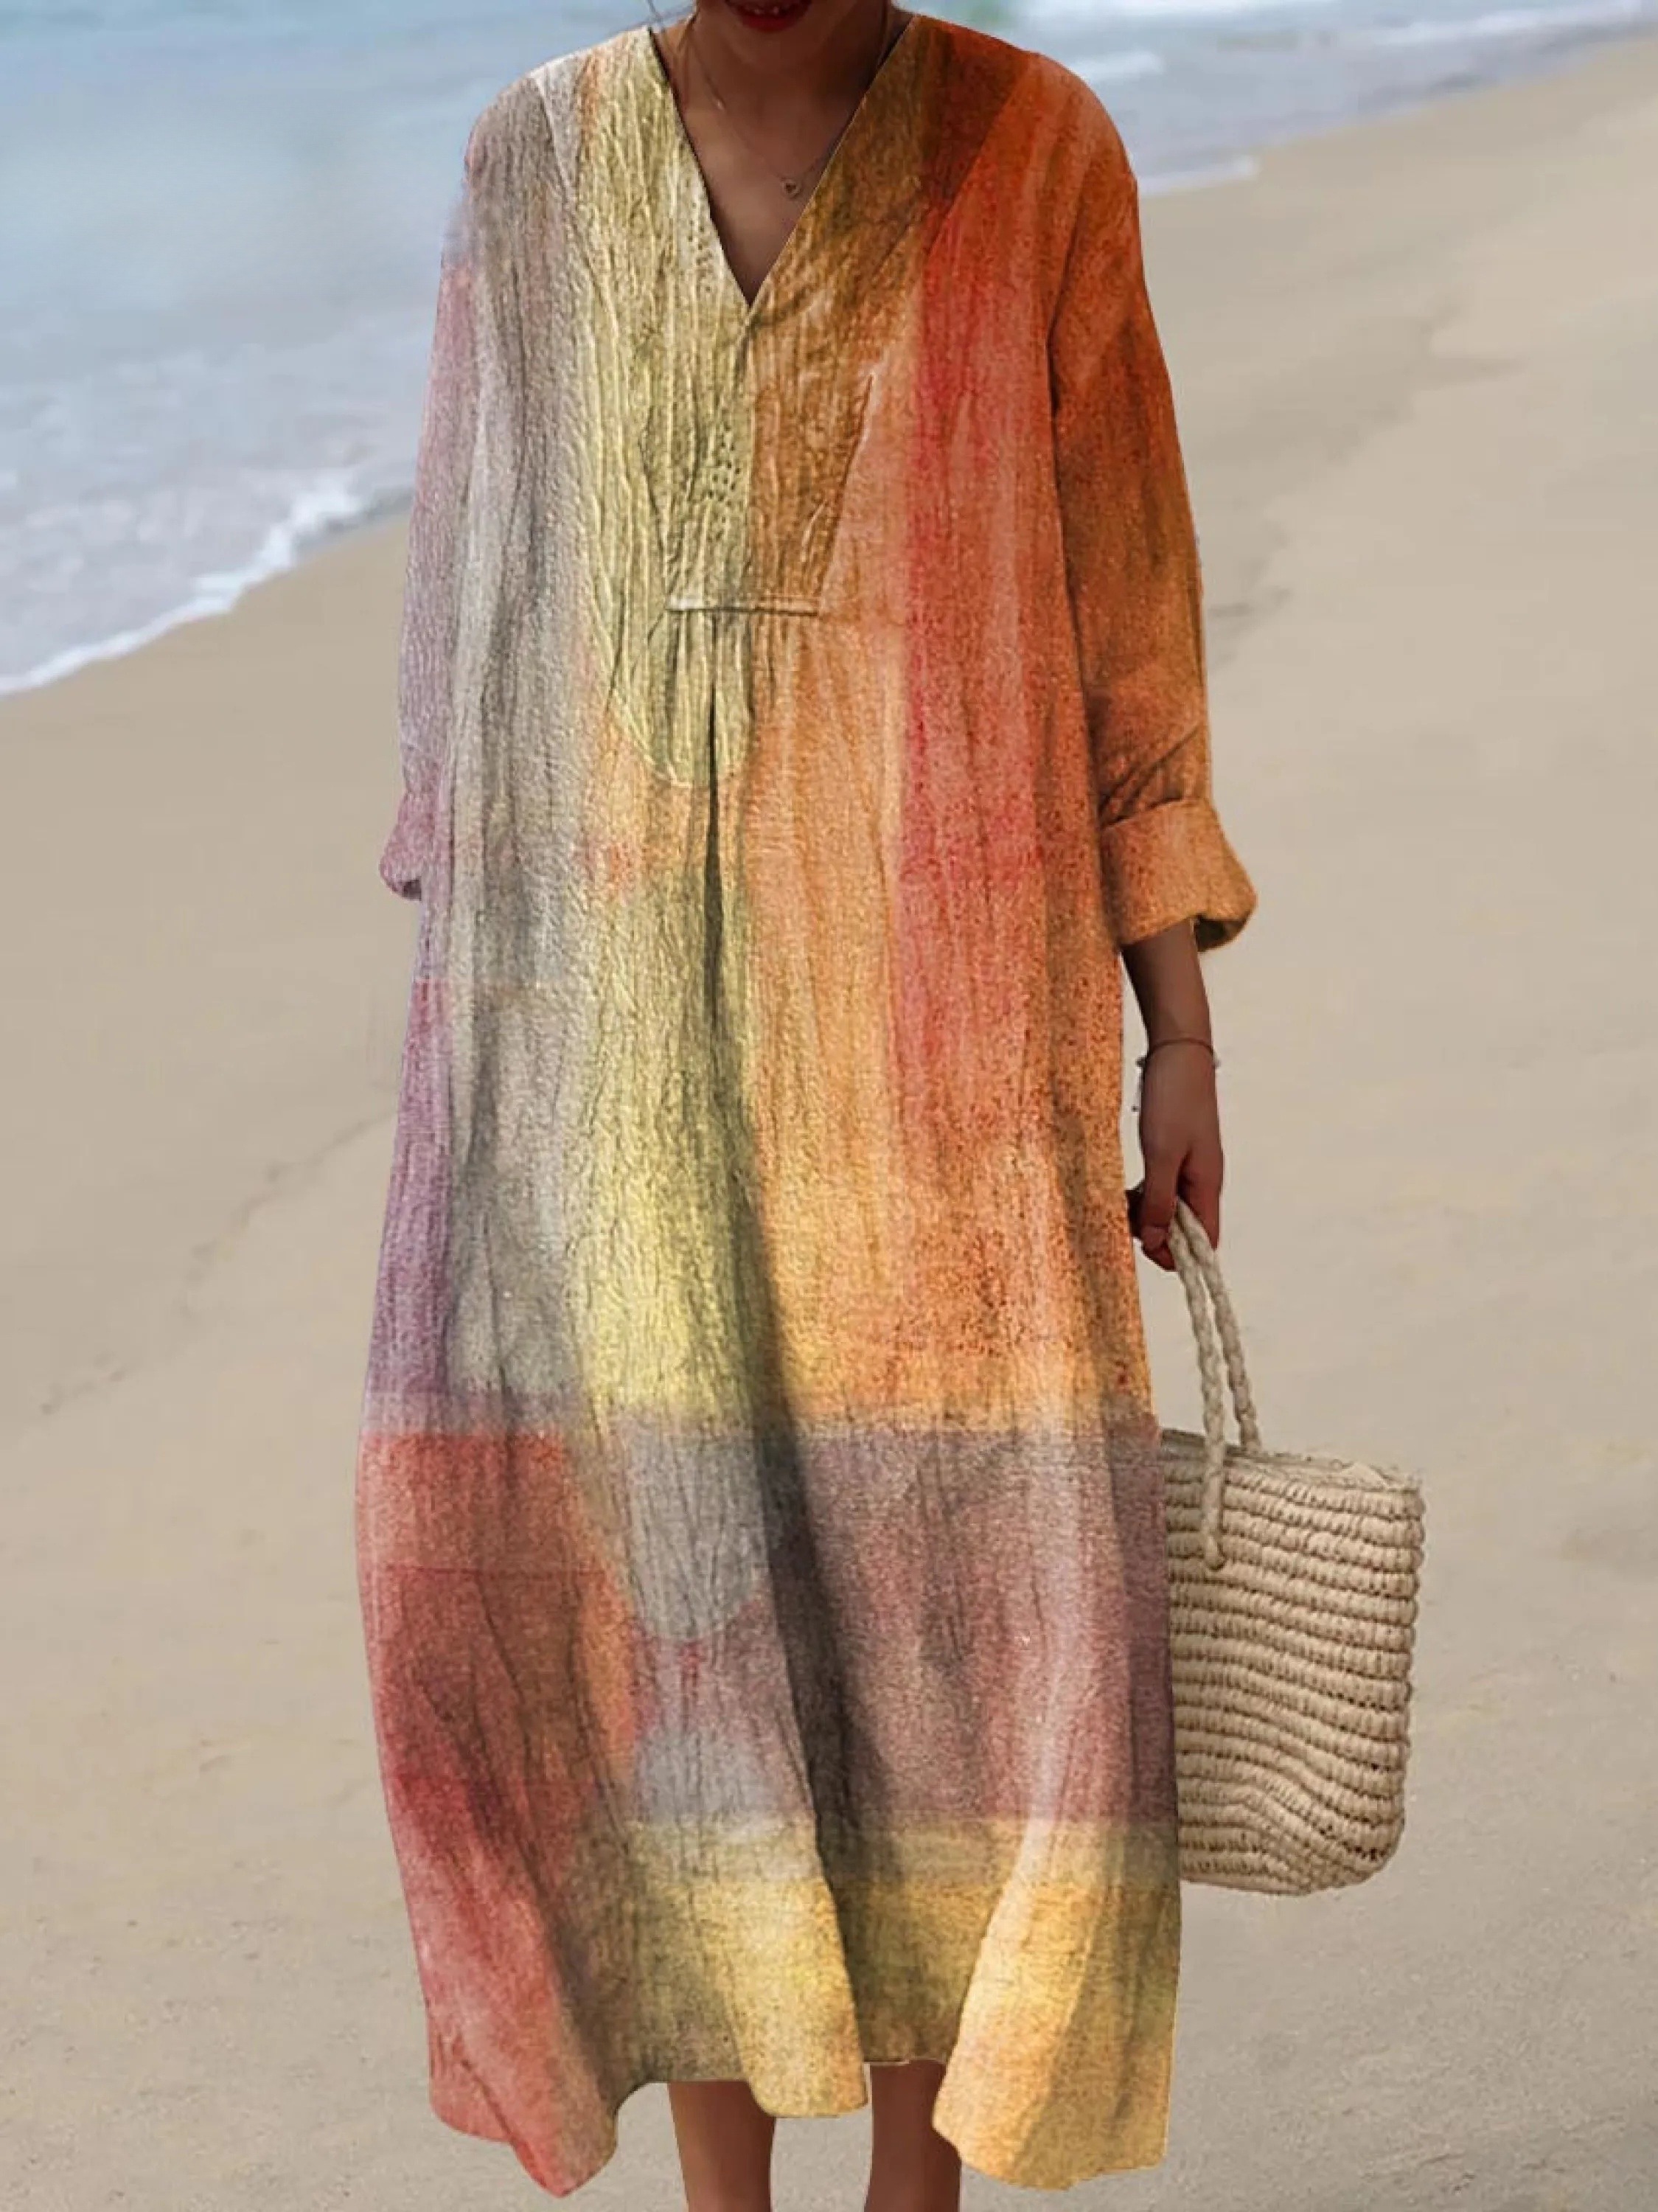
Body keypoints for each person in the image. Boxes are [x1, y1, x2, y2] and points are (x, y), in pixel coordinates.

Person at [355, 2, 1256, 2208]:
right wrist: (492, 1096)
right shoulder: (534, 163)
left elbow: (1126, 609)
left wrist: (1179, 1030)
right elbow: (480, 634)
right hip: (618, 1048)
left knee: (950, 1600)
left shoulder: (1032, 148)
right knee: (676, 1607)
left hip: (952, 1035)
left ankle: (915, 2199)